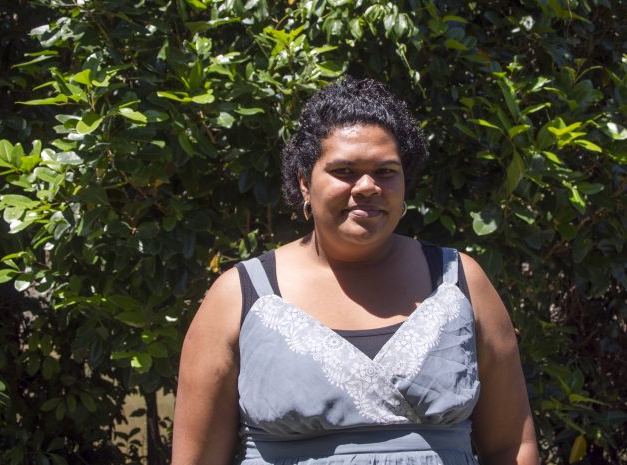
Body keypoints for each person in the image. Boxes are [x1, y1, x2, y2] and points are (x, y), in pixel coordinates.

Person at [172, 77, 540, 465]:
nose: (367, 186)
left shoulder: (460, 281)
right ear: (304, 183)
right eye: (344, 170)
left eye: (385, 171)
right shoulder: (240, 296)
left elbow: (511, 446)